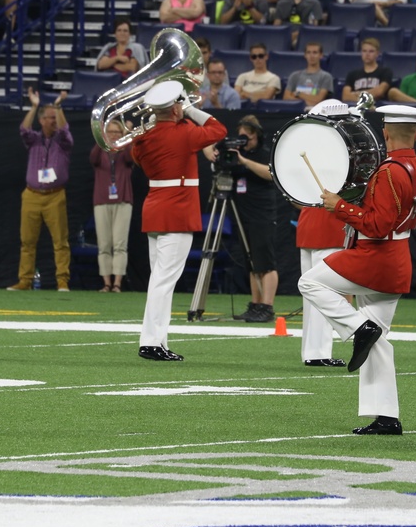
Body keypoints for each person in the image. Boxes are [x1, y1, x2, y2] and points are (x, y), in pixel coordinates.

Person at [297, 104, 416, 435]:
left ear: (385, 133)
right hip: (398, 259)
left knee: (310, 283)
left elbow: (377, 226)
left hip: (375, 257)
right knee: (378, 341)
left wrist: (341, 206)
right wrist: (406, 215)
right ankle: (386, 416)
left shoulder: (390, 170)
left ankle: (356, 327)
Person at [132, 80, 226, 360]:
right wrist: (192, 109)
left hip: (154, 209)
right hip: (178, 212)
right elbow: (218, 130)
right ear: (175, 108)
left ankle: (156, 341)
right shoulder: (184, 132)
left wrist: (164, 116)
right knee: (163, 281)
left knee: (159, 279)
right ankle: (150, 342)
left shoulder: (143, 136)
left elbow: (138, 158)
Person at [205, 115, 279, 323]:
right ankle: (255, 305)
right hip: (241, 214)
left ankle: (267, 306)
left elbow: (271, 174)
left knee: (266, 262)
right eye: (242, 133)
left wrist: (244, 161)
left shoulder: (263, 154)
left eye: (249, 133)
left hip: (262, 214)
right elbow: (209, 152)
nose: (245, 137)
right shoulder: (234, 154)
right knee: (251, 262)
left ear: (257, 135)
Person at [293, 100, 351, 367]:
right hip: (328, 225)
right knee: (324, 292)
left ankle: (313, 351)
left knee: (312, 294)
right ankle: (319, 353)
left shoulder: (306, 152)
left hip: (307, 223)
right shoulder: (337, 154)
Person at [8, 87, 73, 292]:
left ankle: (62, 281)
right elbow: (23, 129)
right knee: (27, 241)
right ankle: (25, 281)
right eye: (50, 118)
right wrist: (34, 106)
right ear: (42, 120)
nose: (53, 121)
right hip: (31, 195)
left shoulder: (63, 142)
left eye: (56, 118)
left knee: (60, 241)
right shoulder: (34, 140)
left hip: (55, 195)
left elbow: (64, 130)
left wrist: (58, 106)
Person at [90, 121, 134, 293]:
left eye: (117, 131)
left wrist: (128, 135)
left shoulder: (125, 152)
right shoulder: (100, 152)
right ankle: (106, 282)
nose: (114, 135)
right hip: (101, 201)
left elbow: (132, 157)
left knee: (120, 244)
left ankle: (117, 283)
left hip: (123, 200)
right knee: (104, 244)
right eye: (110, 132)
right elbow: (93, 158)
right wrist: (101, 140)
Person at [283, 41, 333, 110]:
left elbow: (318, 100)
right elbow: (286, 98)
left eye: (315, 52)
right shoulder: (295, 75)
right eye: (308, 52)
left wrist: (298, 94)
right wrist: (309, 101)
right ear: (305, 55)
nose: (311, 56)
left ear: (321, 55)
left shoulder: (326, 77)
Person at [341, 37, 393, 103]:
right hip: (357, 108)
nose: (367, 54)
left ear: (377, 53)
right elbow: (345, 96)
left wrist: (357, 94)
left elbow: (379, 92)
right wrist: (364, 100)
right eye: (364, 51)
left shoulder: (385, 71)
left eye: (371, 51)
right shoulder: (352, 74)